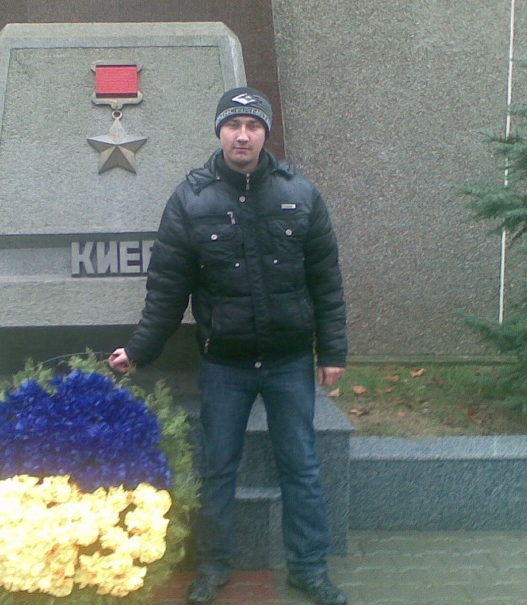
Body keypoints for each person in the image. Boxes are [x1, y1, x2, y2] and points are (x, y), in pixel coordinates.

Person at [108, 87, 348, 605]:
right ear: (219, 132)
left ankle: (309, 568)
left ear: (265, 133)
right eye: (233, 125)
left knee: (302, 467)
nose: (243, 135)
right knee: (217, 469)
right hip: (225, 365)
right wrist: (139, 350)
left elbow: (326, 281)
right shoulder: (190, 200)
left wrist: (332, 352)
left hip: (288, 361)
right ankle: (214, 566)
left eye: (253, 125)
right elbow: (167, 289)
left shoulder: (301, 195)